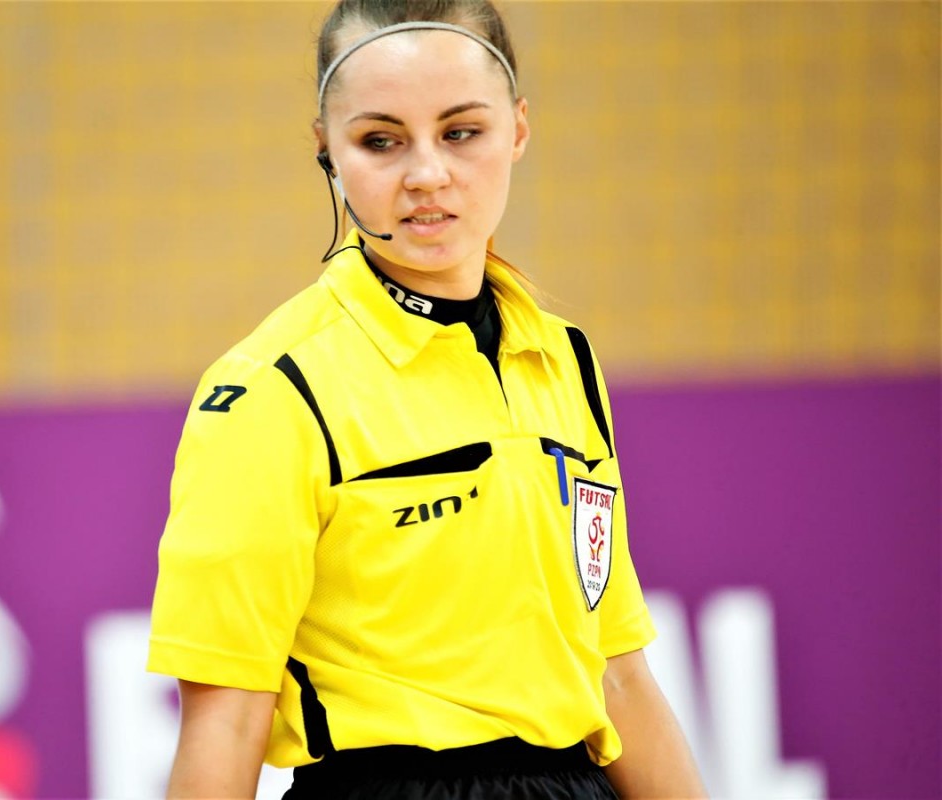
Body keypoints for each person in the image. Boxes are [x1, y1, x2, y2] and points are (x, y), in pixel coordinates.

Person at [148, 1, 707, 797]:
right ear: (326, 148)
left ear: (518, 129)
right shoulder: (273, 387)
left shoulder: (563, 359)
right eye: (381, 141)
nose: (426, 175)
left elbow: (617, 675)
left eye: (461, 132)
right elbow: (225, 722)